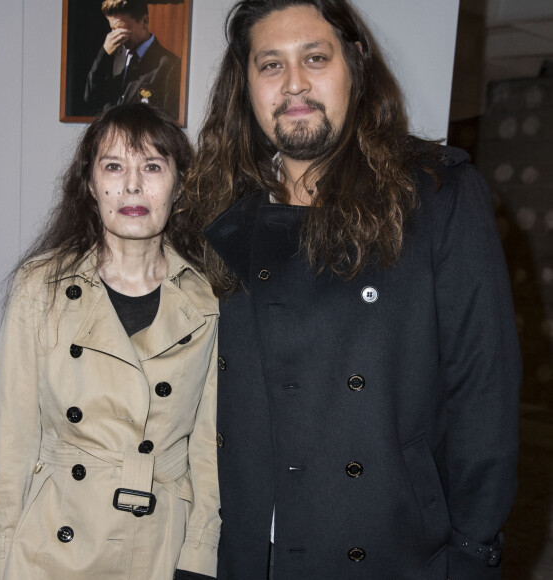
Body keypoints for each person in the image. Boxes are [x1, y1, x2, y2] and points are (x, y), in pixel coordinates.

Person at [182, 1, 523, 578]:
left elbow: (483, 393)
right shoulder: (221, 214)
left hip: (394, 547)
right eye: (270, 65)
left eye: (315, 58)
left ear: (355, 63)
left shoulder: (436, 195)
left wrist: (473, 553)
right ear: (246, 84)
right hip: (252, 551)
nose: (294, 84)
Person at [0, 104, 219, 580]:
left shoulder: (206, 298)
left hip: (158, 546)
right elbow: (10, 444)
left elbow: (207, 448)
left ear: (179, 186)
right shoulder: (39, 288)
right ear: (90, 185)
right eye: (113, 167)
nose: (132, 186)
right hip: (51, 546)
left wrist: (201, 552)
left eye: (152, 167)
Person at [84, 0, 181, 120]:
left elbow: (169, 118)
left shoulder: (170, 64)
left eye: (123, 29)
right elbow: (90, 98)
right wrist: (103, 54)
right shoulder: (112, 56)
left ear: (145, 21)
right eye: (113, 29)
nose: (117, 35)